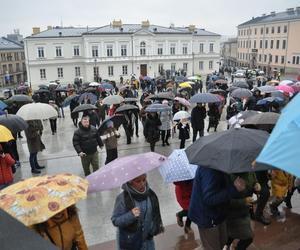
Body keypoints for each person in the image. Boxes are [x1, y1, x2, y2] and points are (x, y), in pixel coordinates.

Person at [189, 166, 246, 250]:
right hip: (207, 217)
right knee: (213, 246)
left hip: (218, 213)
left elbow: (220, 185)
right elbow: (209, 199)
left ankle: (205, 245)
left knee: (222, 241)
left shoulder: (219, 165)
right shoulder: (209, 169)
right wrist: (233, 189)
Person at [111, 174, 164, 250]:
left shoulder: (150, 194)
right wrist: (130, 215)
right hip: (131, 243)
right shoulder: (122, 198)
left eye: (144, 179)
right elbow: (115, 220)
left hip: (148, 242)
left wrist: (152, 227)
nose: (142, 184)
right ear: (130, 183)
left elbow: (153, 215)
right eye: (138, 181)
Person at [226, 172, 261, 250]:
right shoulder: (228, 175)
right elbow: (225, 200)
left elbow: (254, 182)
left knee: (232, 234)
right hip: (233, 215)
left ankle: (227, 244)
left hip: (245, 211)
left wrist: (256, 185)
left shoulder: (250, 171)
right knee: (248, 237)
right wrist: (243, 201)